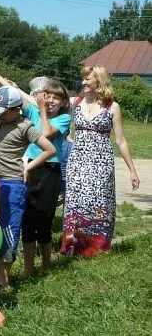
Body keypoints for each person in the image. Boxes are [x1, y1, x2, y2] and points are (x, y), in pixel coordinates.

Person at [0, 56, 56, 290]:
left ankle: (5, 276)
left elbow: (49, 149)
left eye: (3, 112)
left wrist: (28, 166)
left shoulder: (26, 127)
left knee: (9, 227)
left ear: (16, 109)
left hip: (13, 185)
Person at [0, 72, 72, 275]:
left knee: (43, 221)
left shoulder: (63, 118)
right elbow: (15, 93)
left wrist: (42, 109)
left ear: (63, 102)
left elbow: (46, 133)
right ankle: (28, 269)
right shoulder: (34, 111)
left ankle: (45, 267)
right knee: (27, 221)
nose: (51, 100)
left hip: (49, 171)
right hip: (28, 169)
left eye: (56, 97)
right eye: (48, 95)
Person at [62, 66, 140, 257]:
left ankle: (96, 246)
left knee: (98, 202)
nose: (83, 82)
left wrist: (132, 170)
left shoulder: (112, 107)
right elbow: (43, 102)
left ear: (99, 81)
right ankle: (73, 246)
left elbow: (121, 140)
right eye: (83, 79)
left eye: (87, 79)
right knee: (75, 201)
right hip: (78, 160)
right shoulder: (76, 102)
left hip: (101, 163)